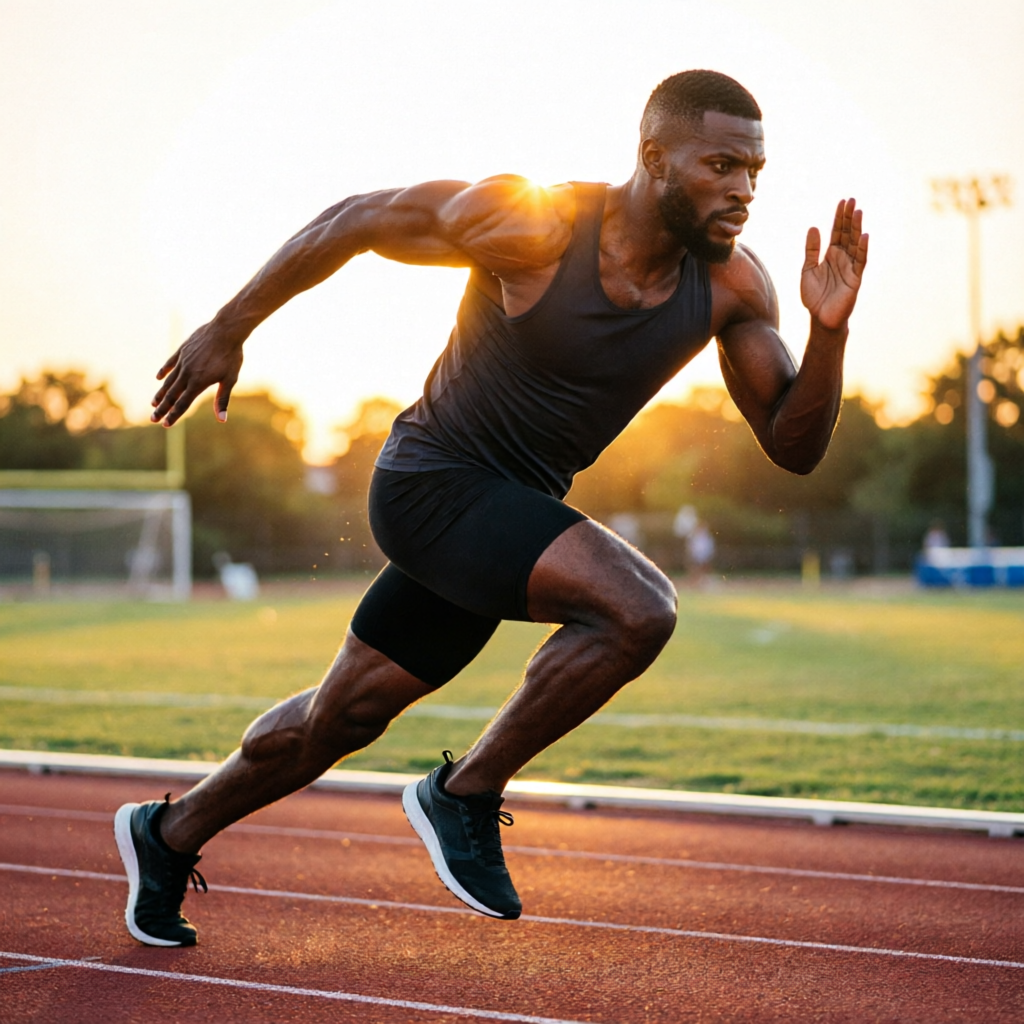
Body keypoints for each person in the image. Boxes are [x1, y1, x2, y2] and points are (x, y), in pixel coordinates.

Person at [114, 70, 868, 946]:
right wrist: (230, 325)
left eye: (755, 172)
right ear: (655, 158)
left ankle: (167, 835)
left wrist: (831, 333)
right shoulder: (534, 224)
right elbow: (356, 217)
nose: (742, 191)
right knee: (638, 609)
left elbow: (794, 444)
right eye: (722, 165)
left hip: (502, 520)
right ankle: (463, 791)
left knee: (341, 717)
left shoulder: (735, 287)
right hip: (429, 482)